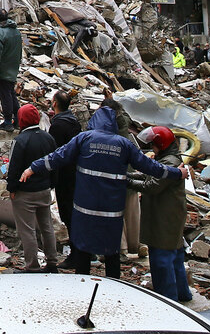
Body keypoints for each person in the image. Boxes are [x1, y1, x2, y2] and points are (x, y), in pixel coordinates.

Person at [20, 100, 185, 278]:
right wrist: (177, 173)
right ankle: (112, 285)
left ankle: (82, 283)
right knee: (111, 251)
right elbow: (151, 167)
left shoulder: (84, 139)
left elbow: (57, 157)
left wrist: (32, 168)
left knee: (83, 249)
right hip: (111, 211)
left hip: (85, 208)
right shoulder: (124, 144)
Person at [129, 125, 192, 302]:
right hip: (170, 213)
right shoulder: (168, 159)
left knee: (161, 259)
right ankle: (182, 294)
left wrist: (127, 181)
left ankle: (168, 300)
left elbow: (152, 186)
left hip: (164, 216)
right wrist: (133, 176)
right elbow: (151, 175)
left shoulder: (169, 162)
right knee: (175, 257)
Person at [8, 103, 59, 273]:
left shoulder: (20, 140)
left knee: (27, 229)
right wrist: (52, 184)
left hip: (25, 192)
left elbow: (14, 167)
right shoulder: (48, 138)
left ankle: (32, 265)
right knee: (47, 227)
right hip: (44, 189)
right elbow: (54, 163)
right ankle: (52, 262)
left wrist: (12, 188)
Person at [47, 90, 80, 262]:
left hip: (64, 175)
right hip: (75, 173)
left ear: (54, 104)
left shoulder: (58, 126)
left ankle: (76, 254)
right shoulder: (74, 122)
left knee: (67, 213)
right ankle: (83, 250)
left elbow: (54, 153)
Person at [0, 10, 22, 130]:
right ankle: (18, 119)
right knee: (11, 94)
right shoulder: (16, 31)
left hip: (2, 70)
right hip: (13, 68)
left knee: (5, 95)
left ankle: (8, 122)